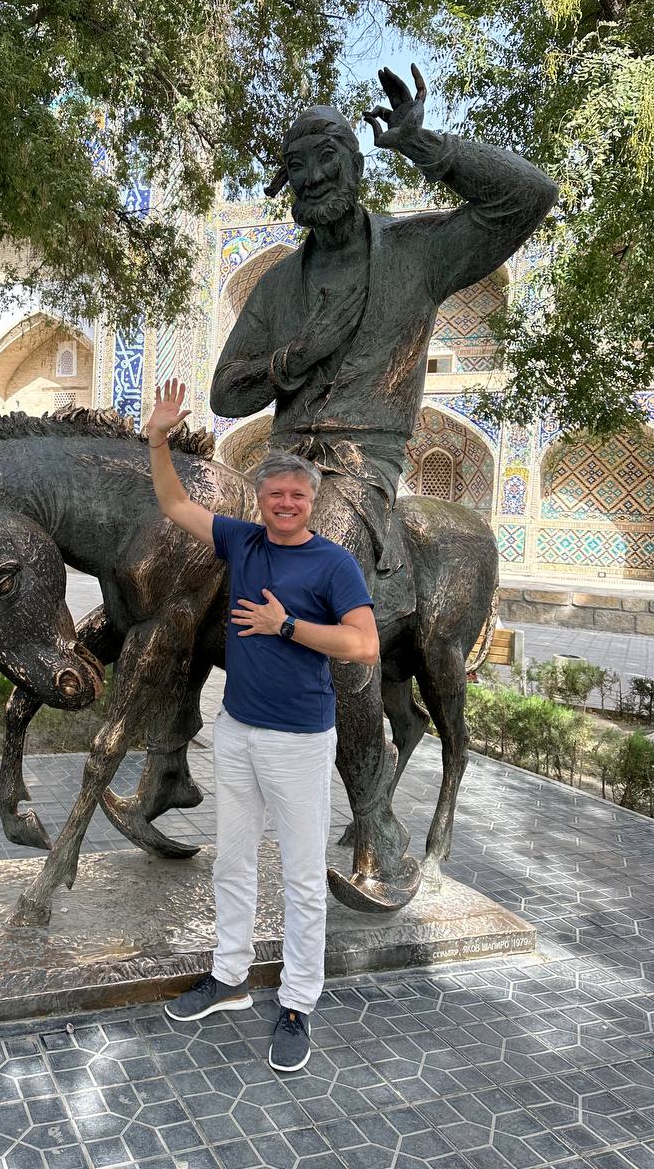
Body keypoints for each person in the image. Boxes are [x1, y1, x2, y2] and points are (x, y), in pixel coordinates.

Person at [209, 66, 558, 906]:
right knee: (174, 562)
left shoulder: (414, 253)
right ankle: (164, 769)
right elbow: (226, 393)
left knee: (316, 583)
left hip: (361, 466)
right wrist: (296, 356)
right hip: (281, 462)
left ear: (356, 165)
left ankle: (376, 821)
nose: (315, 180)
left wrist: (424, 145)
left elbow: (530, 196)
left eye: (328, 162)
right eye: (299, 169)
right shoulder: (279, 286)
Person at [144, 378, 379, 1073]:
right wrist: (158, 439)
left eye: (296, 496)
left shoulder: (332, 563)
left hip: (300, 742)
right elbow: (174, 503)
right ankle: (229, 976)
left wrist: (288, 625)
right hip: (238, 730)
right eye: (275, 494)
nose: (285, 503)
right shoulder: (242, 541)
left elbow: (363, 644)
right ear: (261, 499)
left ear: (310, 502)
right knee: (233, 861)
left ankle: (299, 1001)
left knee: (302, 878)